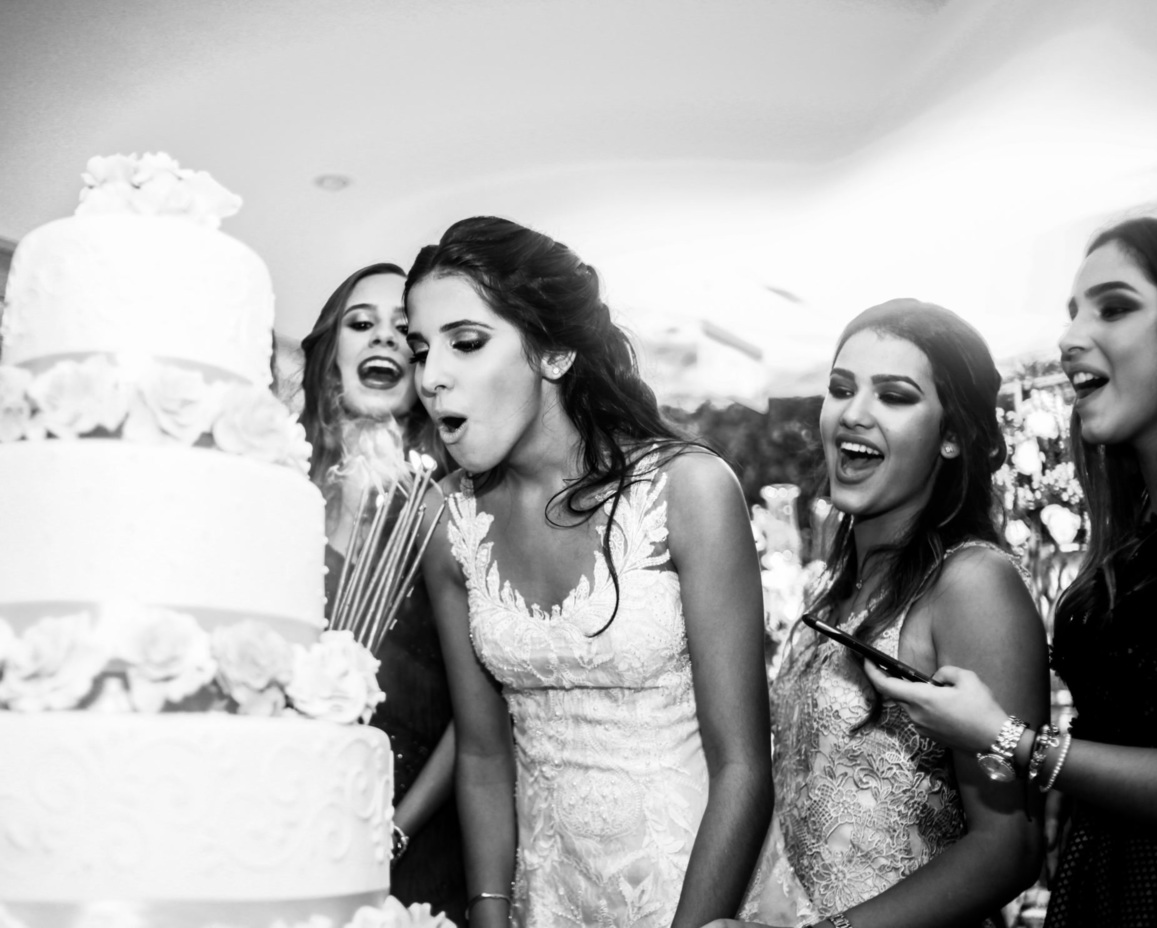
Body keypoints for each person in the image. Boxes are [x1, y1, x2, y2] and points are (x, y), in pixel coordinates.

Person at [403, 217, 786, 928]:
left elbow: (744, 766)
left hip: (698, 892)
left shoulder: (690, 490)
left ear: (553, 352)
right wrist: (493, 914)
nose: (430, 377)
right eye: (421, 350)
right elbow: (483, 756)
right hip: (548, 898)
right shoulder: (448, 524)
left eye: (467, 342)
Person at [867, 217, 1157, 927]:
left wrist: (1009, 739)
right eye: (1073, 312)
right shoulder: (1144, 528)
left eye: (1114, 308)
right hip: (1110, 882)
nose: (1071, 337)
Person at [722, 299, 1049, 928]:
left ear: (952, 436)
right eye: (841, 388)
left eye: (894, 396)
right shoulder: (837, 588)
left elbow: (1009, 847)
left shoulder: (972, 583)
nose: (854, 412)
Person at [298, 262, 467, 925]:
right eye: (361, 323)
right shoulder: (278, 494)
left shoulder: (448, 510)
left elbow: (479, 716)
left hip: (414, 842)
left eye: (405, 332)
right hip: (286, 818)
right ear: (329, 357)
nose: (384, 339)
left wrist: (394, 830)